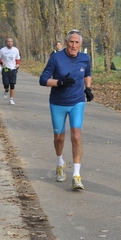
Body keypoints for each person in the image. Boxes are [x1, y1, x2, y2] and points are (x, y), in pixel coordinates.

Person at [39, 29, 93, 190]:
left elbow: (87, 74)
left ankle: (76, 176)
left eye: (77, 42)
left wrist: (88, 88)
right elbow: (43, 80)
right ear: (66, 42)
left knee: (76, 135)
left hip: (77, 102)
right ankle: (59, 163)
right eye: (71, 42)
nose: (74, 45)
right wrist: (59, 83)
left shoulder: (85, 58)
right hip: (58, 103)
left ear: (81, 44)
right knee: (59, 137)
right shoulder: (56, 58)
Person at [0, 38, 21, 105]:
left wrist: (18, 64)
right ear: (6, 42)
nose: (10, 43)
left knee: (12, 84)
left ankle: (11, 99)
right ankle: (6, 90)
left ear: (12, 42)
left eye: (11, 41)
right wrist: (2, 63)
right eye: (8, 41)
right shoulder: (2, 50)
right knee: (6, 83)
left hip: (13, 69)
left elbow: (18, 58)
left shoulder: (16, 50)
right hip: (6, 69)